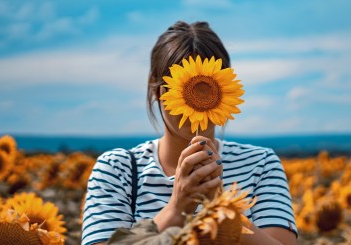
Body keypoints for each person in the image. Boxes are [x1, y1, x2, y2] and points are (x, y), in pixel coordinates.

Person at [81, 20, 298, 245]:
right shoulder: (118, 170)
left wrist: (222, 209)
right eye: (178, 87)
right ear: (156, 88)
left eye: (210, 85)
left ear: (224, 88)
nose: (197, 100)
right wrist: (177, 208)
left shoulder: (260, 164)